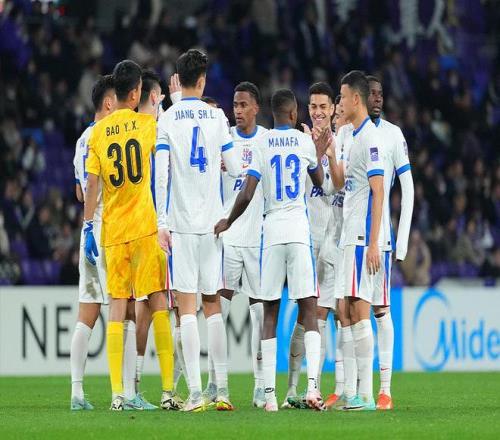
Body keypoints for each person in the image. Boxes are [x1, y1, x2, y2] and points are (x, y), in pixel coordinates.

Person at [215, 89, 331, 412]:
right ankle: (312, 387)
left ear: (272, 113)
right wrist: (318, 154)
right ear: (294, 114)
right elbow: (320, 182)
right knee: (309, 308)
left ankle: (268, 396)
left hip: (272, 232)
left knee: (270, 312)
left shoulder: (262, 144)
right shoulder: (303, 141)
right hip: (298, 232)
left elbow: (247, 192)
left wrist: (228, 220)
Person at [83, 60, 174, 411]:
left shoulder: (97, 133)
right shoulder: (147, 125)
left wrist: (88, 225)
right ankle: (168, 392)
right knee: (158, 302)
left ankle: (117, 395)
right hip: (145, 228)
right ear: (136, 93)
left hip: (113, 231)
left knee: (117, 309)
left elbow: (92, 185)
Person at [155, 49, 241, 412]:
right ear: (203, 80)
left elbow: (161, 175)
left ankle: (193, 393)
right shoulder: (217, 117)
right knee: (213, 307)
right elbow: (234, 168)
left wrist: (161, 222)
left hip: (181, 226)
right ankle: (222, 389)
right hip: (212, 226)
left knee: (186, 309)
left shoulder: (167, 119)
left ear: (179, 78)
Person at [204, 81, 268, 408]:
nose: (238, 110)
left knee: (259, 315)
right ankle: (216, 383)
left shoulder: (267, 140)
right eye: (235, 104)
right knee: (220, 313)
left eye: (243, 105)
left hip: (257, 240)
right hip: (227, 239)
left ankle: (260, 386)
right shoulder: (222, 139)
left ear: (256, 107)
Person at [283, 82, 335, 409]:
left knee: (321, 314)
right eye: (313, 106)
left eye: (322, 107)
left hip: (330, 240)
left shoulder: (340, 144)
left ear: (332, 109)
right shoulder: (299, 141)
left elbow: (337, 189)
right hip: (303, 238)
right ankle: (292, 389)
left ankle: (313, 387)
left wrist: (329, 154)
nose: (317, 112)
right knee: (306, 315)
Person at [132, 69, 180, 410]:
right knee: (163, 305)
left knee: (141, 308)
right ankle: (166, 390)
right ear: (154, 96)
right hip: (159, 227)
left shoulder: (128, 128)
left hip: (130, 228)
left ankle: (130, 387)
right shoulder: (159, 129)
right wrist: (176, 104)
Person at [338, 70, 385, 411]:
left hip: (360, 237)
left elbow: (378, 192)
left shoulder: (370, 138)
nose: (340, 103)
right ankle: (357, 392)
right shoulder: (354, 136)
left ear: (356, 99)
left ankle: (366, 394)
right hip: (349, 235)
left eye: (342, 97)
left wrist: (372, 243)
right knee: (347, 309)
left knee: (359, 308)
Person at [367, 75, 414, 410]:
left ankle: (385, 389)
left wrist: (403, 241)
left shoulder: (393, 134)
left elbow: (408, 188)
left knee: (380, 310)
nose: (378, 98)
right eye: (372, 93)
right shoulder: (347, 133)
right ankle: (348, 387)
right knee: (346, 313)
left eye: (381, 94)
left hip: (380, 238)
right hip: (348, 238)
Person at [70, 75, 117, 410]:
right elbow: (99, 186)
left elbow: (79, 191)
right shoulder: (106, 135)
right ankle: (123, 393)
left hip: (87, 232)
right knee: (120, 310)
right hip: (108, 230)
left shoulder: (81, 140)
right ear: (109, 103)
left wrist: (87, 225)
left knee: (86, 313)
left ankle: (76, 393)